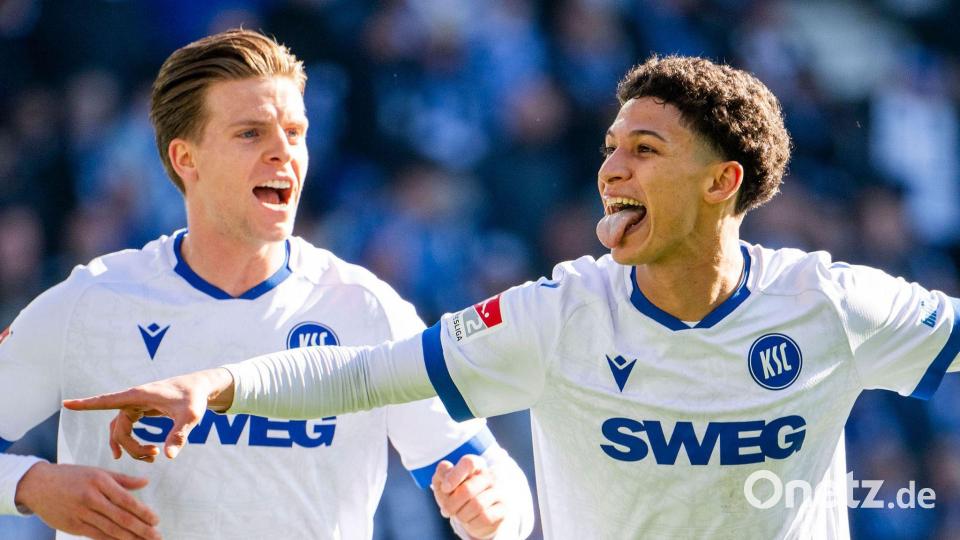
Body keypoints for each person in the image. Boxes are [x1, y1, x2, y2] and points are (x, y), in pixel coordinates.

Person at [65, 55, 959, 539]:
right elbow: (370, 375)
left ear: (723, 180)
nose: (611, 167)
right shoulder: (559, 313)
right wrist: (220, 385)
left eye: (644, 149)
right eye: (610, 146)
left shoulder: (831, 305)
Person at [0, 29, 534, 540]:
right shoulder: (90, 303)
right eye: (251, 132)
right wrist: (29, 484)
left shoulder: (364, 310)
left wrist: (492, 511)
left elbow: (495, 482)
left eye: (295, 132)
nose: (284, 152)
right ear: (185, 159)